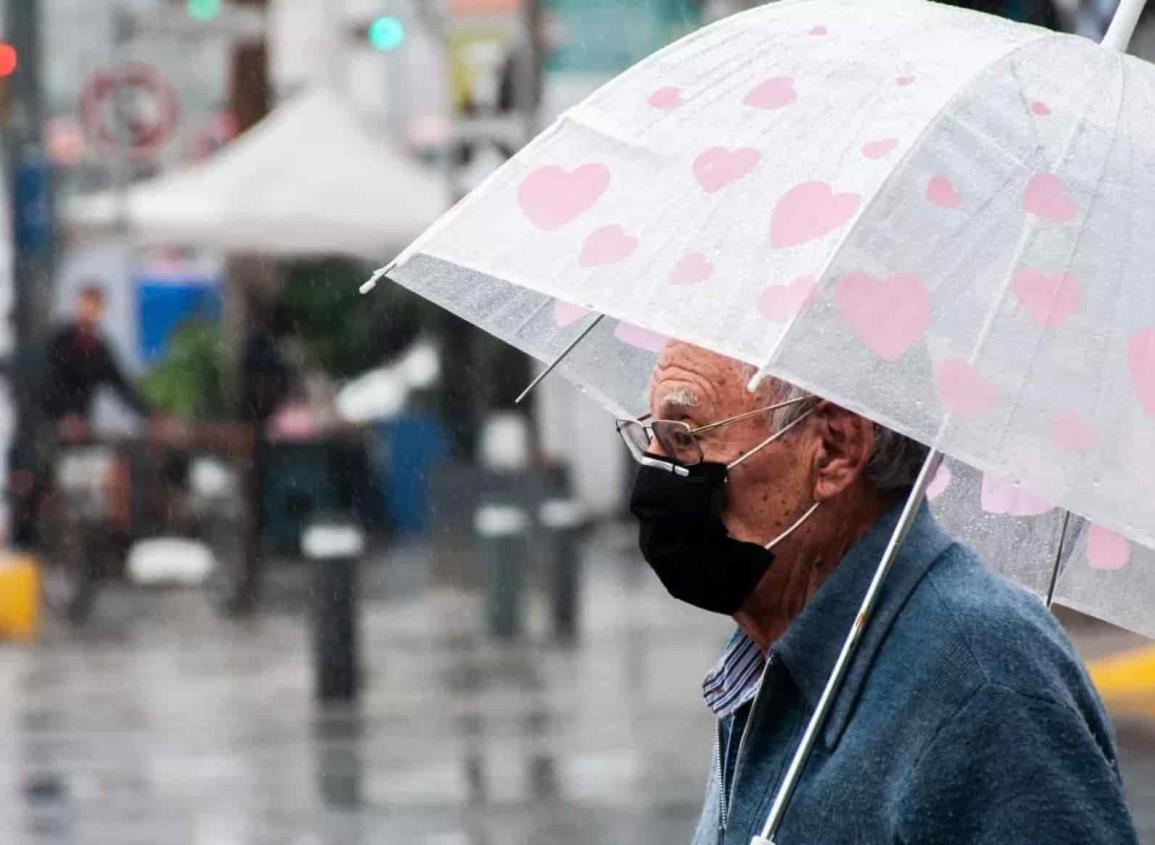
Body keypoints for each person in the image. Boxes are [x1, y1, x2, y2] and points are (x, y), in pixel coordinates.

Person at [621, 341, 1138, 844]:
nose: (652, 467)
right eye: (652, 435)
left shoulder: (984, 678)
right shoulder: (770, 649)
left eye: (684, 436)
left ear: (834, 449)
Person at [9, 284, 154, 548]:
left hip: (77, 434)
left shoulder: (99, 350)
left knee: (115, 473)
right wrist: (61, 419)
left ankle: (108, 542)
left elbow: (122, 389)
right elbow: (40, 387)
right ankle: (26, 541)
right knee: (33, 477)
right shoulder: (57, 344)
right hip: (43, 429)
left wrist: (154, 416)